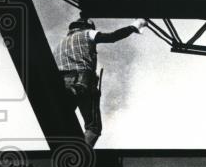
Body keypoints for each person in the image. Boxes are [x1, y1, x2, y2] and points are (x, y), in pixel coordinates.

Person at [55, 15, 146, 147]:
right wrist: (135, 26)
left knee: (65, 119)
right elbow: (112, 37)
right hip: (83, 79)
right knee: (93, 127)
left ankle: (66, 152)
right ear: (87, 27)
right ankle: (82, 155)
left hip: (61, 82)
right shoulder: (88, 33)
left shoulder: (61, 43)